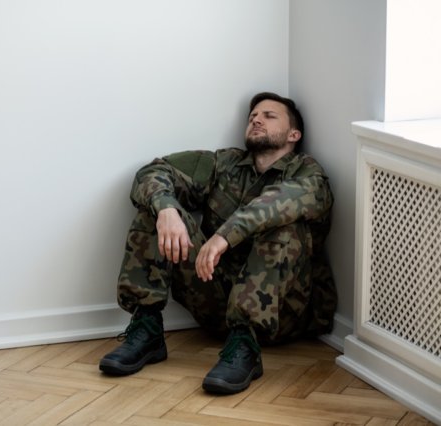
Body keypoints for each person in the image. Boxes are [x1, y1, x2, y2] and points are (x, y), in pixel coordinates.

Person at [99, 92, 337, 394]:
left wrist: (225, 235)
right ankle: (147, 330)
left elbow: (280, 203)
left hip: (283, 312)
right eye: (253, 116)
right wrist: (167, 209)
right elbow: (154, 171)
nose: (256, 119)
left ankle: (246, 347)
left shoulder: (308, 172)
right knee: (156, 212)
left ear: (293, 134)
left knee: (284, 228)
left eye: (269, 115)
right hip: (216, 299)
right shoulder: (224, 164)